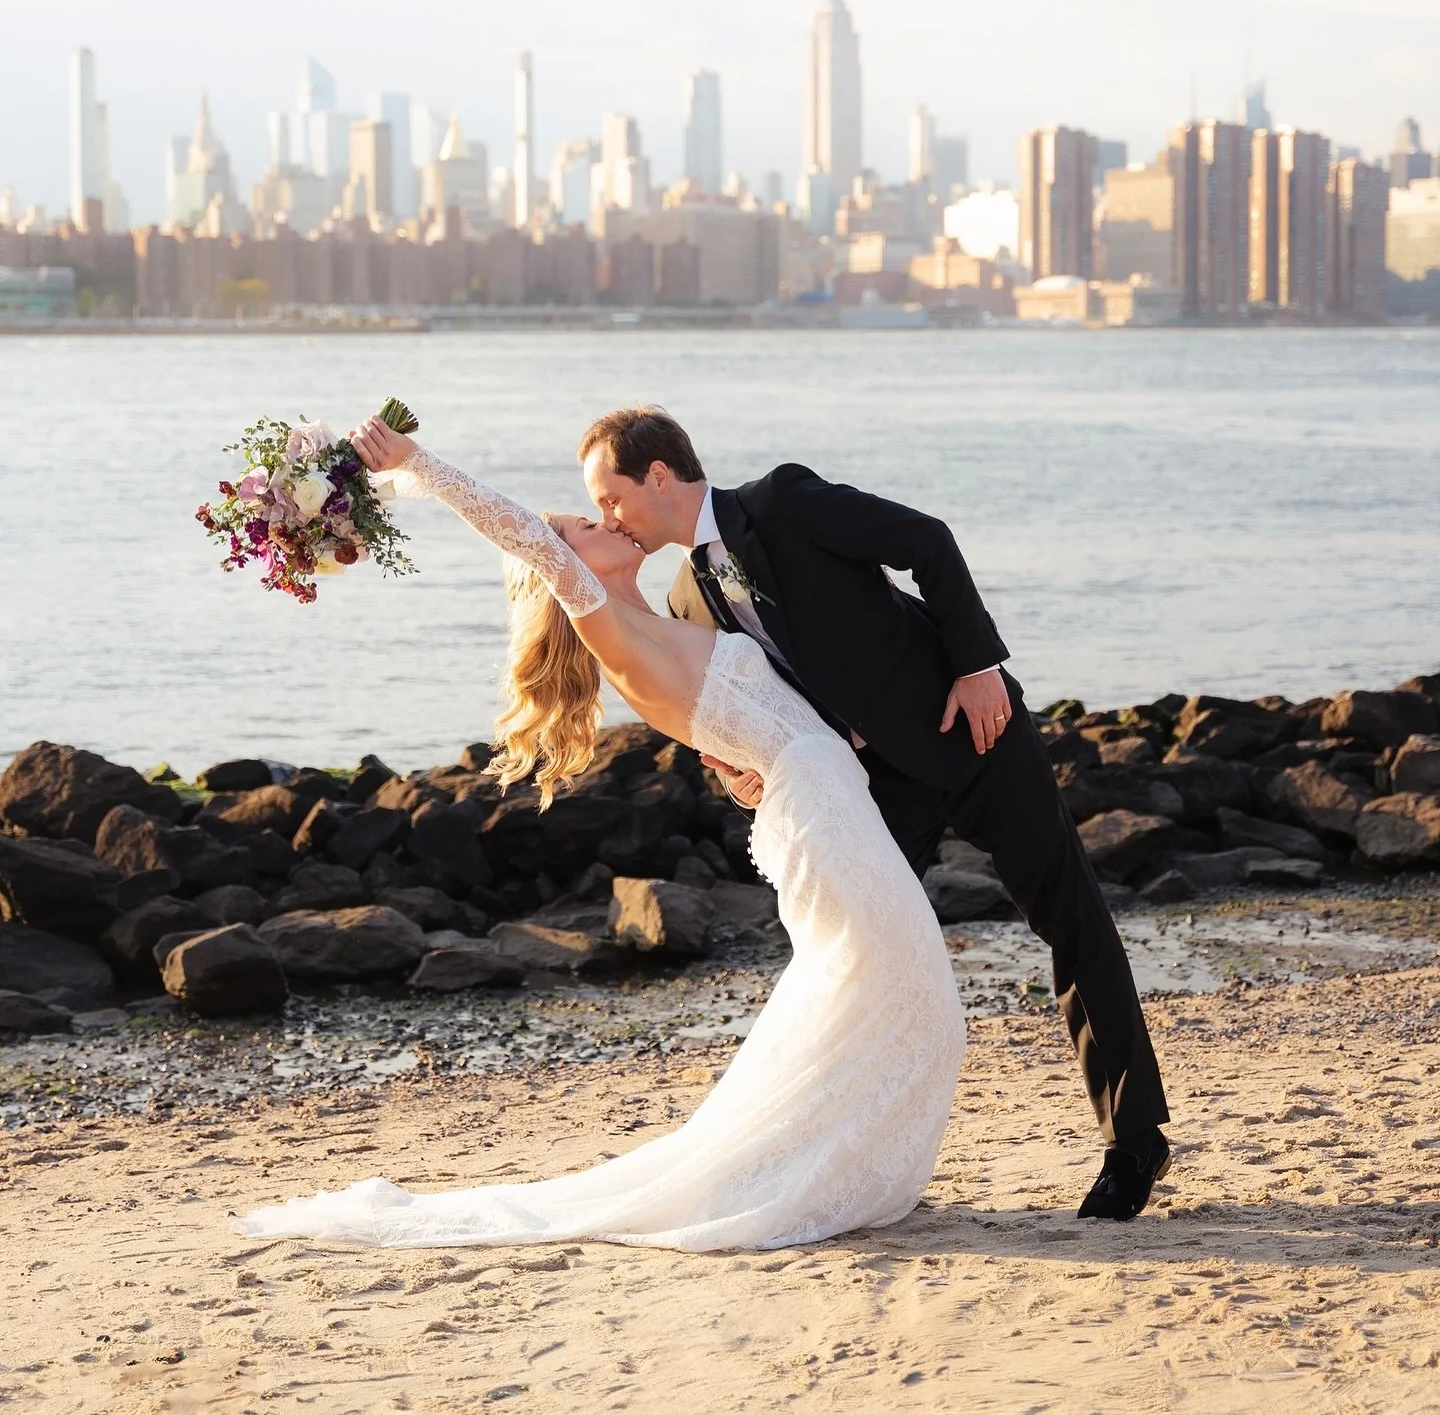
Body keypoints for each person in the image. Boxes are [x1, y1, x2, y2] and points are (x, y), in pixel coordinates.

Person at [235, 412, 967, 1253]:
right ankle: (809, 1172)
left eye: (601, 510)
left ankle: (820, 1166)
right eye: (588, 523)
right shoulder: (603, 623)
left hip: (824, 801)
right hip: (822, 816)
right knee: (904, 991)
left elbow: (746, 711)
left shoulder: (660, 615)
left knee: (876, 992)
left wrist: (745, 763)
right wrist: (418, 467)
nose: (607, 522)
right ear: (567, 567)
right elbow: (520, 531)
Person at [578, 406, 1171, 1221]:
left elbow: (926, 539)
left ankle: (1134, 1139)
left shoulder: (782, 501)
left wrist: (978, 664)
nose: (609, 517)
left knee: (1069, 915)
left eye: (610, 498)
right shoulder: (686, 597)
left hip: (975, 732)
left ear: (656, 475)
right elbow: (742, 714)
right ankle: (846, 1159)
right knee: (856, 955)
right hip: (875, 788)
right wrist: (737, 776)